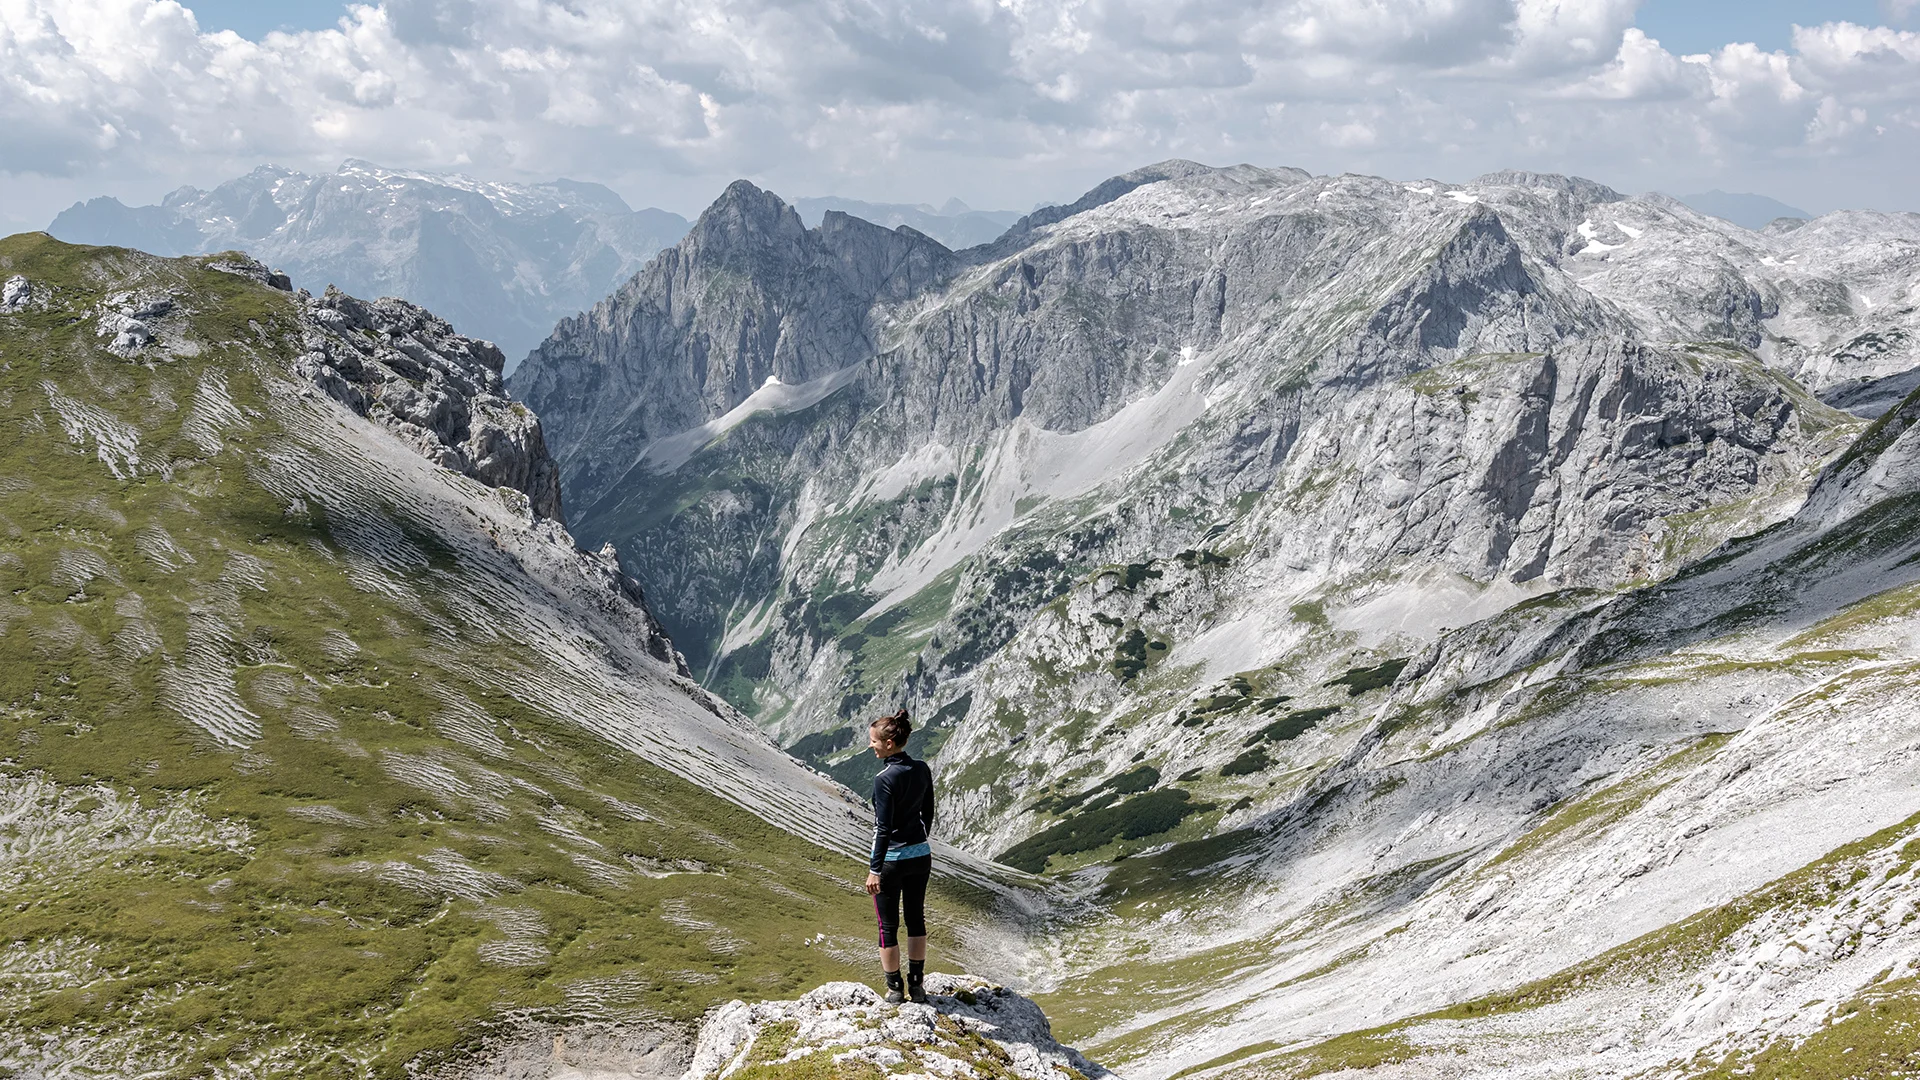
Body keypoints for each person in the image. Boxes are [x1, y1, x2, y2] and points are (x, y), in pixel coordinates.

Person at [864, 707, 934, 1004]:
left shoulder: (884, 779)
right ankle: (917, 987)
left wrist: (874, 869)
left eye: (874, 742)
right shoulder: (922, 769)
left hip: (892, 860)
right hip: (921, 855)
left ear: (889, 744)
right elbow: (928, 811)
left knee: (887, 925)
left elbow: (882, 827)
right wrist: (919, 841)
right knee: (916, 918)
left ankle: (895, 989)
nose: (871, 746)